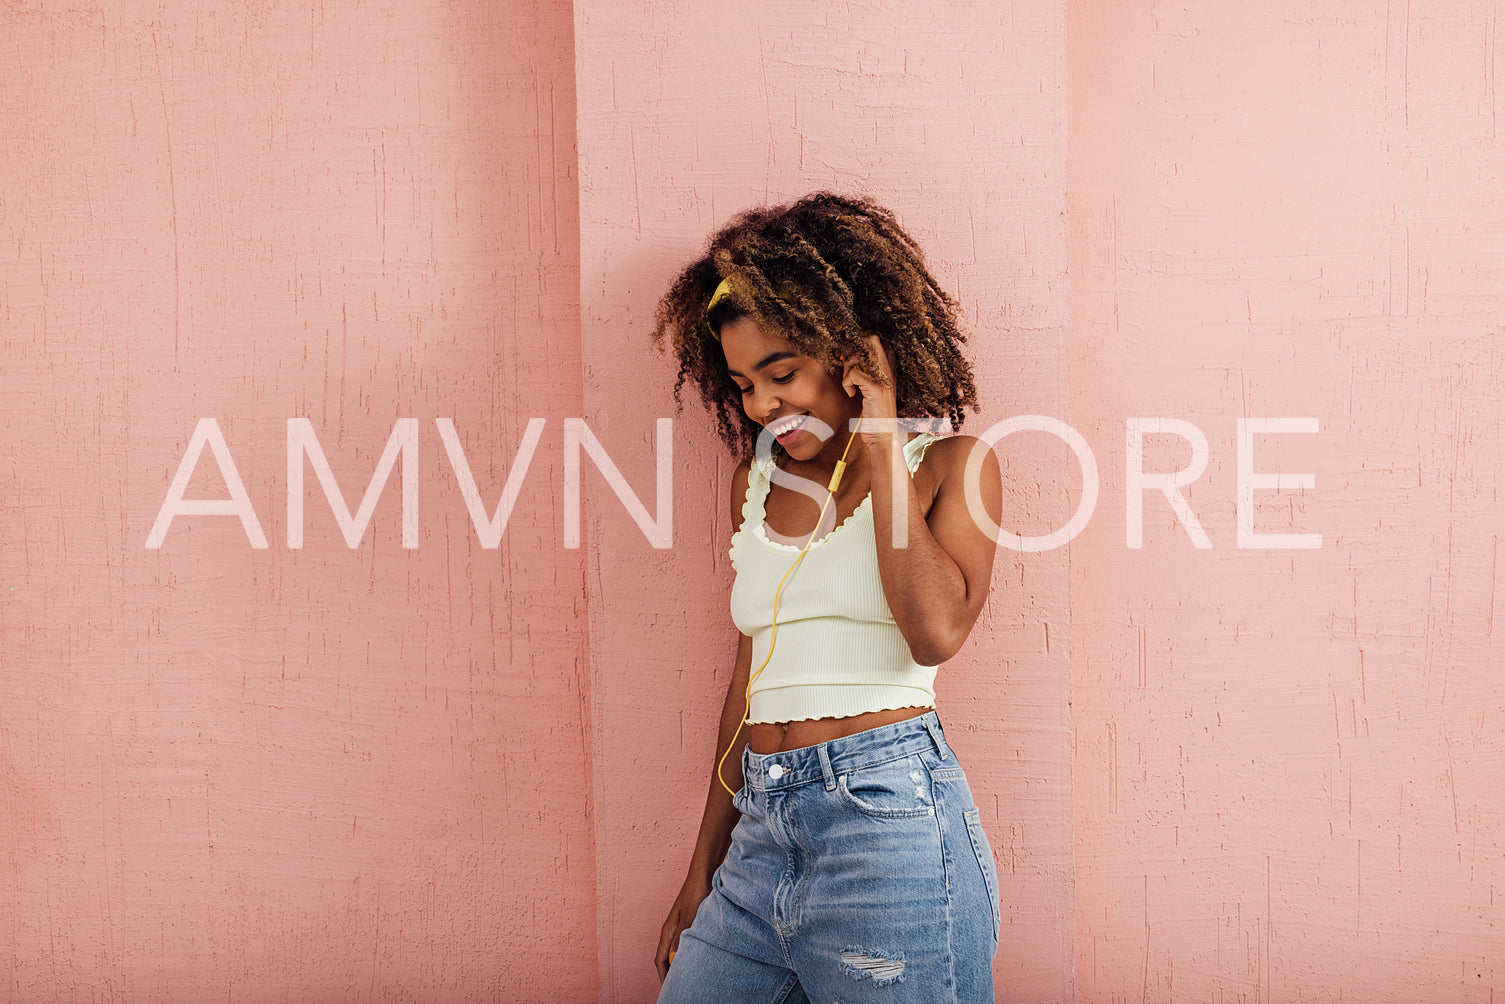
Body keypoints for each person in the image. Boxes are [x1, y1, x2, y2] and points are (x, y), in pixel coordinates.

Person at [650, 192, 1003, 1003]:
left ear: (851, 353)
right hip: (761, 833)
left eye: (782, 373)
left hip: (887, 820)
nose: (761, 405)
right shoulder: (756, 483)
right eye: (742, 383)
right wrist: (700, 869)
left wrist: (879, 434)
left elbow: (936, 631)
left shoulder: (951, 465)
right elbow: (747, 684)